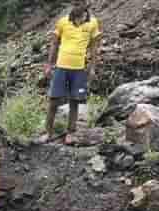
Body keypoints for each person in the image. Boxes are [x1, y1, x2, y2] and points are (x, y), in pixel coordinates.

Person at [40, 0, 103, 145]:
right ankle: (47, 132)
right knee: (53, 100)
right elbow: (54, 43)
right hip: (61, 67)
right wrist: (49, 64)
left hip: (79, 69)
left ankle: (70, 133)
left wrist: (92, 67)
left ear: (85, 5)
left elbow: (94, 47)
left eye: (78, 4)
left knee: (74, 101)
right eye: (73, 4)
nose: (75, 7)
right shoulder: (63, 21)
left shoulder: (93, 23)